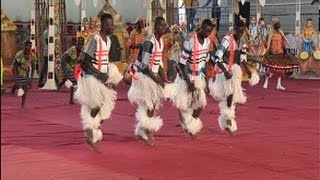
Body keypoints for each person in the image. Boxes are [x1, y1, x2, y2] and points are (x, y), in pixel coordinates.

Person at [74, 13, 123, 152]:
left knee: (106, 107)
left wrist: (107, 74)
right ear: (103, 25)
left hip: (100, 76)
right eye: (110, 24)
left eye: (113, 24)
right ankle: (90, 129)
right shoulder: (94, 39)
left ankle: (93, 128)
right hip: (90, 77)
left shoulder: (108, 40)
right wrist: (98, 74)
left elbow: (104, 60)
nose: (112, 27)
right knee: (98, 103)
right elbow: (83, 62)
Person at [127, 17, 168, 145]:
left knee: (152, 105)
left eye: (165, 25)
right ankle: (147, 130)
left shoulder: (160, 41)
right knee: (150, 104)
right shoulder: (148, 42)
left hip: (153, 75)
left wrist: (164, 79)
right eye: (161, 26)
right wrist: (157, 80)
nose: (164, 28)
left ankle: (142, 129)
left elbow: (158, 63)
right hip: (144, 76)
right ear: (155, 27)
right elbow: (145, 66)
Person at [170, 19, 214, 138]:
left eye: (209, 32)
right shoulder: (190, 41)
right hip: (186, 76)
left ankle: (191, 126)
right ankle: (189, 128)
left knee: (199, 104)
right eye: (206, 31)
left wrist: (207, 81)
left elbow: (204, 63)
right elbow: (182, 64)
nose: (207, 34)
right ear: (201, 28)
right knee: (185, 105)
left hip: (199, 77)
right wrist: (188, 82)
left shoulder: (207, 42)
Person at [208, 22, 247, 135]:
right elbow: (217, 57)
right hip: (225, 70)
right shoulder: (227, 40)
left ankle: (226, 120)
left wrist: (249, 72)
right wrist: (225, 71)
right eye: (238, 31)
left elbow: (243, 58)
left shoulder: (242, 42)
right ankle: (229, 120)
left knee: (233, 98)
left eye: (242, 31)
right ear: (234, 29)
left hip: (235, 72)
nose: (239, 33)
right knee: (229, 95)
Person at [262, 18, 300, 90]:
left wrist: (288, 49)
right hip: (273, 53)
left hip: (280, 52)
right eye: (276, 22)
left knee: (280, 69)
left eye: (278, 22)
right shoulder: (271, 32)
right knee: (271, 69)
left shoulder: (281, 32)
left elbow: (285, 41)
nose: (277, 24)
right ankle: (266, 81)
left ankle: (278, 84)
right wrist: (267, 51)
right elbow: (269, 42)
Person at [59, 36, 85, 104]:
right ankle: (71, 100)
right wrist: (67, 68)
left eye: (81, 44)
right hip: (68, 66)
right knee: (74, 82)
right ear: (76, 43)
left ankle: (61, 83)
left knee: (76, 80)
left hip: (76, 68)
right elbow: (64, 58)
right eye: (78, 44)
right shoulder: (72, 49)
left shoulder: (83, 51)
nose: (80, 45)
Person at [11, 40, 37, 108]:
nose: (27, 47)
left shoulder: (33, 56)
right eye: (26, 46)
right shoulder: (18, 55)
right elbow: (15, 67)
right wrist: (16, 78)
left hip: (25, 72)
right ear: (24, 46)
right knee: (18, 84)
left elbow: (33, 68)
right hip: (17, 70)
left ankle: (22, 104)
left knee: (25, 88)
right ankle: (13, 89)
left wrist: (31, 79)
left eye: (29, 46)